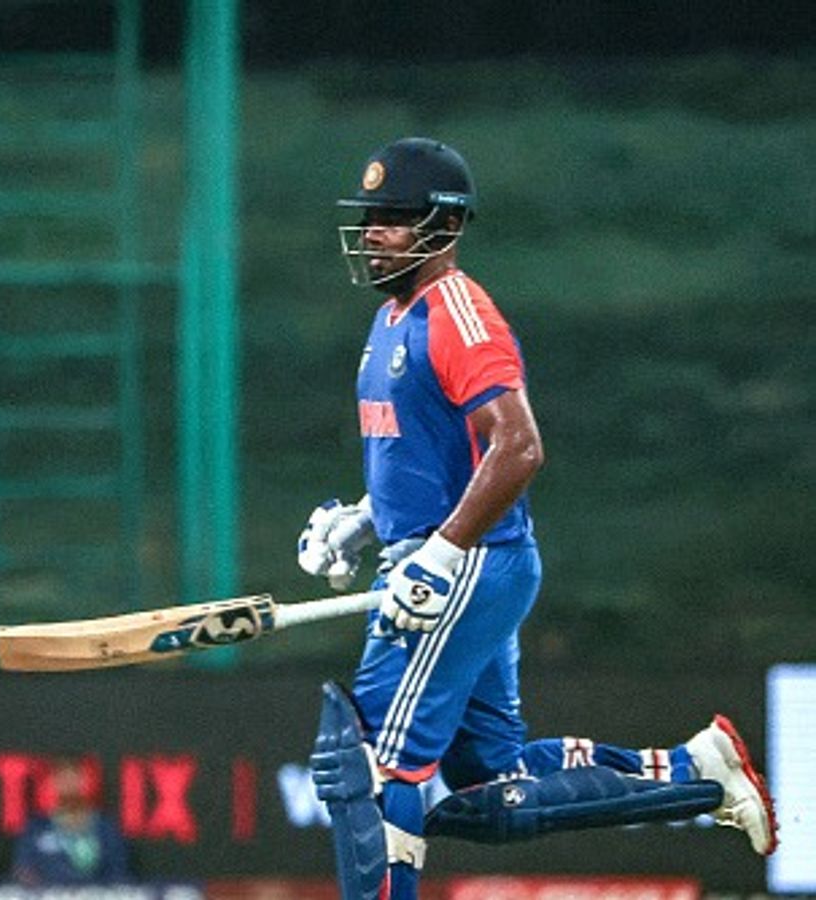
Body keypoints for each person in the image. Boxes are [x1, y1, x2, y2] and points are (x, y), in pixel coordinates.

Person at [301, 137, 778, 899]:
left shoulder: (458, 312)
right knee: (494, 784)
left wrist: (441, 553)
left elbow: (518, 447)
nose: (372, 234)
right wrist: (365, 520)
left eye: (392, 218)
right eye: (369, 218)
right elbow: (432, 452)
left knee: (367, 764)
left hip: (465, 565)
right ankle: (697, 773)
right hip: (453, 560)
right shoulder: (394, 318)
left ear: (443, 227)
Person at [11, 760, 131, 887]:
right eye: (63, 779)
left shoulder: (105, 828)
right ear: (54, 784)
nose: (69, 785)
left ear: (85, 783)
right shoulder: (36, 827)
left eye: (74, 779)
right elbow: (24, 868)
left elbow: (118, 873)